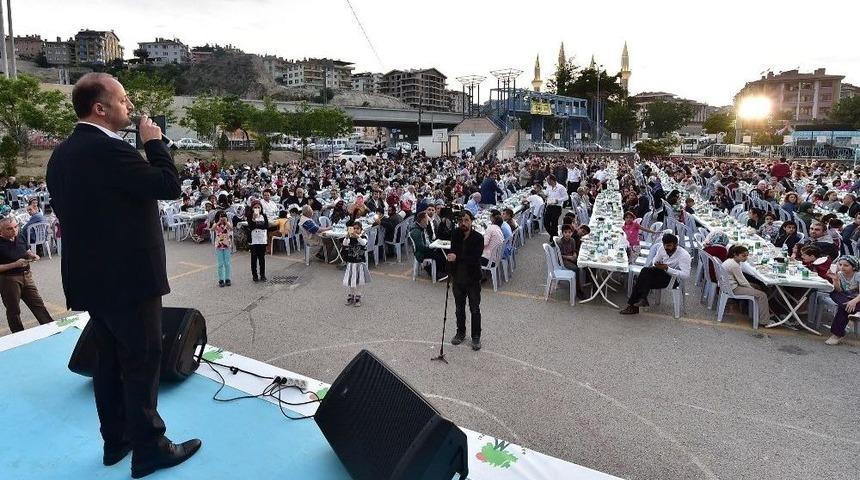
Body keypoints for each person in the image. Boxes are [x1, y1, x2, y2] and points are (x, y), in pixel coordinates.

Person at [45, 72, 200, 478]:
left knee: (109, 362)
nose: (129, 107)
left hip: (91, 279)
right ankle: (150, 447)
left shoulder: (62, 154)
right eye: (123, 100)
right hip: (129, 279)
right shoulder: (109, 151)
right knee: (142, 361)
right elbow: (168, 184)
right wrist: (154, 142)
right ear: (101, 108)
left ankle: (116, 441)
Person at [0, 216, 53, 332]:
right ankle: (18, 335)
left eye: (15, 227)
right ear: (1, 231)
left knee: (38, 304)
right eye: (9, 229)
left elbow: (26, 250)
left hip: (26, 275)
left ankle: (51, 328)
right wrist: (15, 264)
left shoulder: (19, 236)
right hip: (9, 280)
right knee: (13, 310)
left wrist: (31, 255)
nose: (14, 230)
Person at [620, 233, 691, 315]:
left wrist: (667, 268)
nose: (666, 248)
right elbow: (654, 260)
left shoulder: (684, 255)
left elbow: (686, 275)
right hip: (661, 272)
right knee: (645, 271)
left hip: (672, 279)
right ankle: (641, 299)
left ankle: (635, 305)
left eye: (669, 246)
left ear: (676, 245)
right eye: (665, 245)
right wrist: (657, 263)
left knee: (642, 280)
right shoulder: (662, 248)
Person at [447, 211, 484, 351]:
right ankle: (460, 332)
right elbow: (452, 250)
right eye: (461, 221)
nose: (463, 223)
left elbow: (475, 258)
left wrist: (456, 257)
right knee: (459, 308)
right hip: (458, 277)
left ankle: (476, 336)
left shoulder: (478, 238)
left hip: (473, 278)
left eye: (466, 220)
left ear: (471, 221)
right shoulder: (456, 234)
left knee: (474, 308)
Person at [720, 245, 771, 326]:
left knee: (758, 287)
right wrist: (752, 289)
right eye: (743, 256)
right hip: (733, 288)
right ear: (735, 255)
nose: (746, 258)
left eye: (747, 255)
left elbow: (742, 281)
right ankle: (765, 321)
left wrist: (754, 288)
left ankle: (758, 312)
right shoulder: (734, 265)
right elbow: (743, 282)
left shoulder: (731, 261)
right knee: (762, 295)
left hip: (729, 285)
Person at [825, 255, 860, 345]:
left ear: (854, 266)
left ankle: (836, 335)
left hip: (857, 298)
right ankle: (856, 312)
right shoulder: (839, 274)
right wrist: (835, 280)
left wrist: (854, 301)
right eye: (840, 264)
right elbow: (839, 290)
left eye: (846, 265)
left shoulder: (858, 275)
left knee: (843, 308)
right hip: (846, 297)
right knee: (834, 293)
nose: (842, 267)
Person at [409, 211, 448, 279]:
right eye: (427, 219)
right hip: (421, 253)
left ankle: (437, 270)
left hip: (427, 248)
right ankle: (434, 273)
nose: (428, 221)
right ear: (423, 220)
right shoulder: (416, 231)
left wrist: (434, 243)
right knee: (439, 256)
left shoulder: (421, 227)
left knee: (442, 252)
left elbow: (427, 239)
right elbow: (421, 247)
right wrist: (432, 247)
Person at [342, 222, 371, 307]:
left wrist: (357, 236)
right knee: (351, 280)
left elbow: (363, 243)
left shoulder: (363, 236)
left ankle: (358, 296)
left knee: (359, 281)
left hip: (359, 263)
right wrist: (347, 236)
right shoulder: (350, 238)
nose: (355, 230)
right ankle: (351, 295)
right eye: (354, 228)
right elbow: (344, 244)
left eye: (357, 228)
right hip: (351, 263)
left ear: (361, 229)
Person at [245, 201, 269, 282]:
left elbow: (266, 226)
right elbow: (251, 227)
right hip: (253, 240)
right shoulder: (249, 216)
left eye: (259, 207)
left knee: (262, 258)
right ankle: (254, 275)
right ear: (252, 208)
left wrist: (257, 225)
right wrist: (254, 219)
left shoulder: (264, 216)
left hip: (262, 239)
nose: (257, 209)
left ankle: (262, 275)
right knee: (254, 259)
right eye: (255, 207)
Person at [212, 211, 233, 287]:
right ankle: (221, 279)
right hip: (219, 246)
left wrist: (226, 222)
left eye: (223, 216)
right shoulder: (216, 224)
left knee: (227, 263)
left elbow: (231, 228)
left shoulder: (227, 224)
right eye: (221, 216)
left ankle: (227, 278)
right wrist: (218, 222)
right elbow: (212, 229)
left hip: (227, 245)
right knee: (220, 264)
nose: (222, 218)